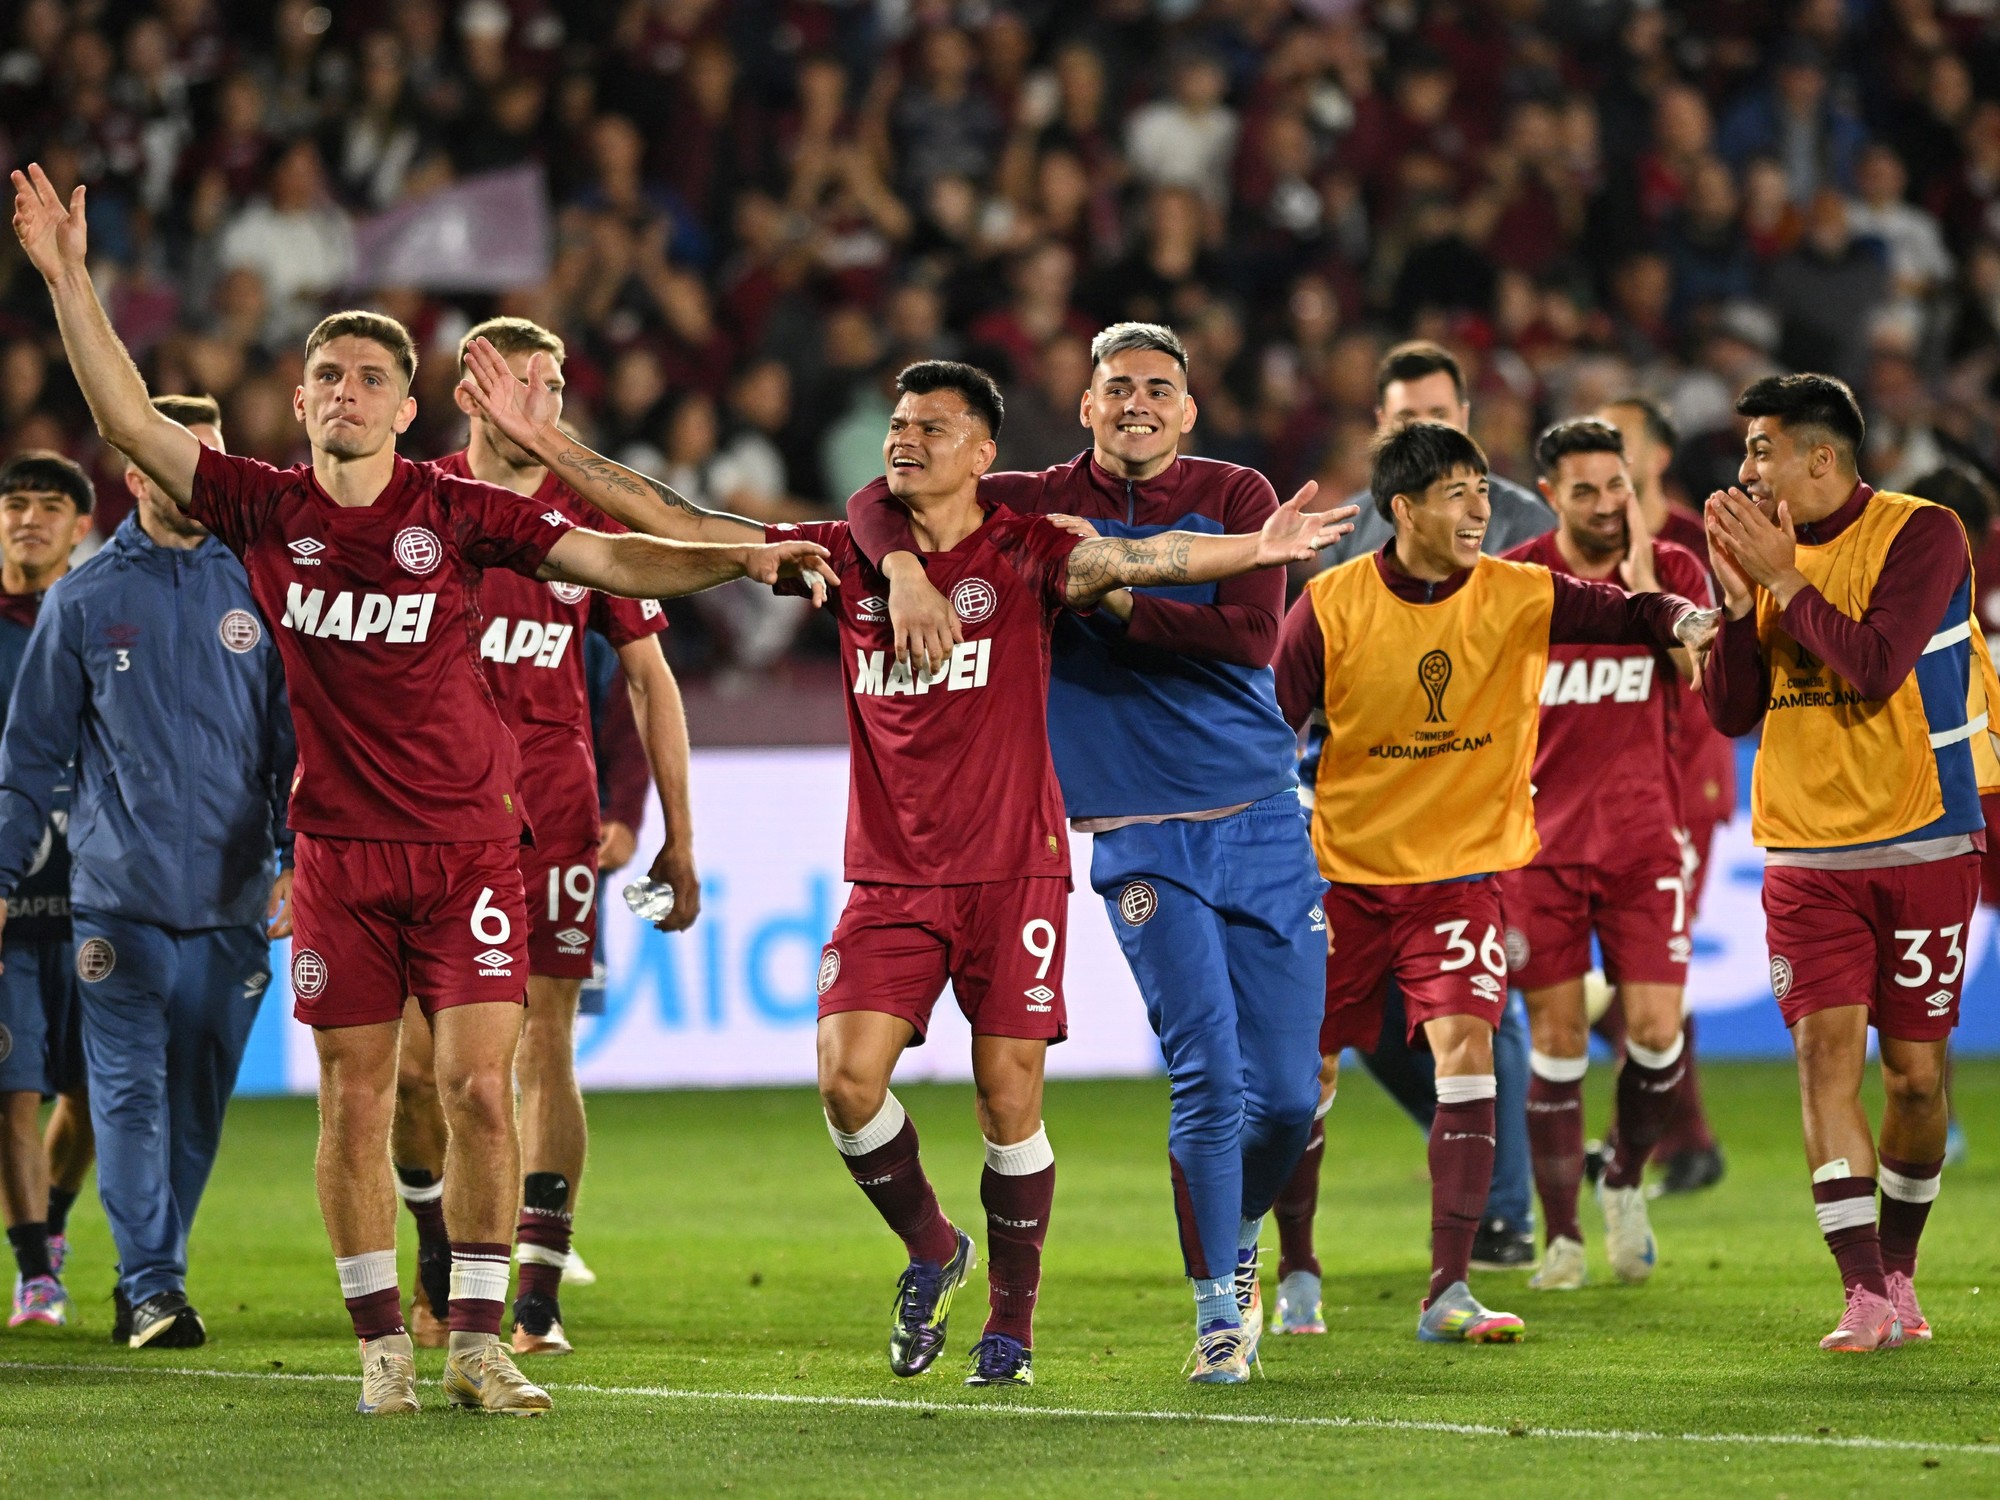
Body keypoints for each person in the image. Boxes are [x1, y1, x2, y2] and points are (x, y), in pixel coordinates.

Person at [11, 160, 828, 1415]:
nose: (345, 391)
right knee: (355, 1100)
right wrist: (70, 279)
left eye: (369, 377)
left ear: (407, 408)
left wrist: (744, 560)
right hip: (338, 857)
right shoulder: (264, 509)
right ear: (299, 401)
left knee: (480, 1090)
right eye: (327, 375)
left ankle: (480, 1342)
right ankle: (380, 1349)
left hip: (466, 854)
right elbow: (126, 420)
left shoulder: (455, 513)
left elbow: (615, 556)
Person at [455, 351, 1351, 1387]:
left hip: (1013, 870)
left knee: (1008, 1101)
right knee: (845, 1082)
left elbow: (1147, 562)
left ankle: (1009, 1333)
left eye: (932, 428)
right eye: (898, 424)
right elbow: (685, 522)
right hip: (891, 878)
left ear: (982, 455)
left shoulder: (1029, 550)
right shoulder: (844, 557)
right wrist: (550, 445)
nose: (905, 440)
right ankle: (934, 1248)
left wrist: (1256, 548)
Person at [835, 322, 1336, 1376]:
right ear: (1086, 404)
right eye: (1117, 387)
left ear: (1186, 409)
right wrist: (903, 568)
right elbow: (883, 495)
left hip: (1256, 811)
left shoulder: (1237, 494)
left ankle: (1238, 1231)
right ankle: (1216, 1311)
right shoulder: (1028, 500)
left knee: (1289, 1099)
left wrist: (1105, 594)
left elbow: (1248, 637)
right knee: (1206, 1072)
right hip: (1133, 828)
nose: (1136, 402)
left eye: (1157, 387)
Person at [1274, 420, 1716, 1344]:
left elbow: (1624, 613)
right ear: (1404, 510)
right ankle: (1297, 1267)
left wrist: (1681, 617)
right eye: (1457, 493)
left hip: (1462, 879)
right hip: (1345, 879)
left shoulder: (1520, 591)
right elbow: (1265, 730)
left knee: (1468, 1054)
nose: (1480, 508)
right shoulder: (1330, 605)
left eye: (1483, 489)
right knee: (1303, 1076)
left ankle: (1450, 1289)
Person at [390, 316, 698, 1359]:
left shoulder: (585, 516)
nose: (541, 401)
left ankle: (534, 1290)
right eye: (518, 381)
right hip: (427, 816)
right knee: (416, 1072)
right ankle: (437, 1247)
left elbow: (650, 681)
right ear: (468, 394)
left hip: (551, 820)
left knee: (543, 1045)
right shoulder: (415, 501)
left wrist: (675, 834)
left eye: (554, 385)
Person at [1703, 373, 1997, 1352]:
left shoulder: (1923, 533)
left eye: (1761, 449)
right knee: (1823, 1060)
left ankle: (1900, 1267)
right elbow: (1731, 711)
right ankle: (1862, 1291)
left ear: (1819, 457)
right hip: (1803, 851)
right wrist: (1733, 603)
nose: (1747, 469)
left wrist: (1782, 580)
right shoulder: (1762, 552)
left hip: (1923, 839)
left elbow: (1873, 667)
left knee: (1913, 1078)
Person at [0, 396, 292, 1349]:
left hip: (234, 903)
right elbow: (30, 759)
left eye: (212, 463)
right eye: (177, 462)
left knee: (195, 1109)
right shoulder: (84, 601)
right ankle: (155, 1285)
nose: (200, 480)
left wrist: (298, 858)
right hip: (117, 904)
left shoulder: (262, 586)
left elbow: (296, 745)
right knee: (124, 1095)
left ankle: (148, 1276)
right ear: (135, 473)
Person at [1497, 418, 1712, 1292]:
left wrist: (1651, 590)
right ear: (1551, 495)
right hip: (1538, 849)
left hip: (1641, 841)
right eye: (1582, 490)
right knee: (1556, 1043)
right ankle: (1562, 1237)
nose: (1604, 504)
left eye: (1615, 485)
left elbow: (1703, 678)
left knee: (1656, 1035)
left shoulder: (1676, 571)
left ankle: (1622, 1177)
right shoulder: (1517, 578)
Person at [1597, 394, 1728, 1193]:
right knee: (1622, 975)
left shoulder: (1695, 544)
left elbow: (1716, 665)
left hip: (1682, 782)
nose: (1604, 458)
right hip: (1602, 785)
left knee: (1649, 968)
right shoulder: (1579, 547)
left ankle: (1653, 1141)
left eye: (1620, 442)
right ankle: (1677, 1138)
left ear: (1657, 458)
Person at [0, 451, 92, 1330]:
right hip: (6, 902)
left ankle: (54, 1223)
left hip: (95, 895)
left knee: (97, 1095)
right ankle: (35, 1271)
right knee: (12, 1088)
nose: (29, 519)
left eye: (49, 506)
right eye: (15, 504)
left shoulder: (98, 617)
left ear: (79, 526)